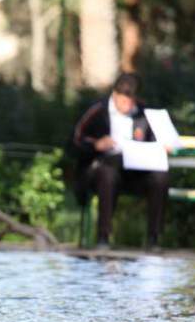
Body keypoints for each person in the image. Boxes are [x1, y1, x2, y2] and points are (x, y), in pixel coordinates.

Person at [72, 73, 169, 249]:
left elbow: (157, 140)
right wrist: (96, 144)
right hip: (102, 171)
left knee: (160, 178)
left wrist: (163, 146)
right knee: (107, 173)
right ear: (114, 95)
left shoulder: (144, 113)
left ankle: (154, 238)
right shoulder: (98, 111)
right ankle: (103, 237)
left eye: (130, 102)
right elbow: (76, 140)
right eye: (123, 101)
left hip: (135, 171)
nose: (127, 106)